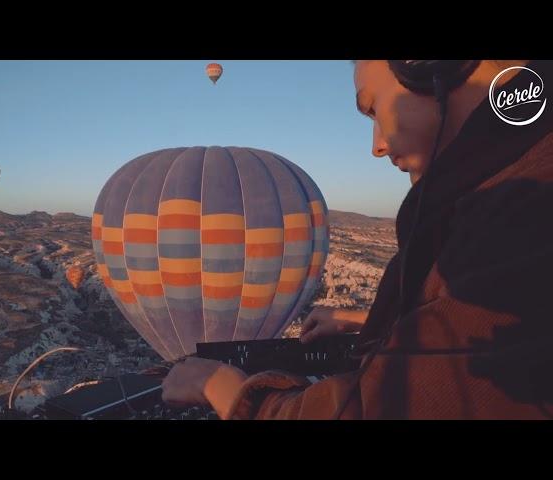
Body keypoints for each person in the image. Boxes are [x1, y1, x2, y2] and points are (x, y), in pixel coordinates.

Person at [161, 59, 553, 419]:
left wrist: (226, 390)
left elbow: (390, 408)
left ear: (430, 65)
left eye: (373, 108)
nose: (377, 146)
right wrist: (371, 323)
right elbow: (504, 334)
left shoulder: (525, 204)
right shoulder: (509, 188)